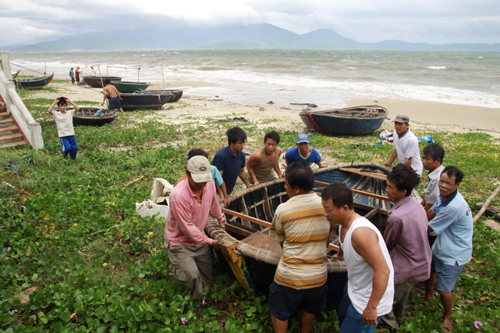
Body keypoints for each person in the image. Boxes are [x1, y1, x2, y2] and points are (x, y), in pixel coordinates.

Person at [268, 161, 335, 333]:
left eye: (286, 184)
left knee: (279, 312)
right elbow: (328, 241)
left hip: (289, 276)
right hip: (318, 276)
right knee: (310, 308)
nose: (285, 187)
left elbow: (281, 242)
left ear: (296, 189)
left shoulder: (283, 210)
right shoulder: (327, 207)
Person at [321, 183, 394, 333]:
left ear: (345, 208)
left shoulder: (361, 234)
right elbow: (343, 241)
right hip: (355, 286)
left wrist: (372, 307)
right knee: (342, 316)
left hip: (368, 297)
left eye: (328, 210)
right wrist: (340, 254)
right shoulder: (342, 223)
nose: (325, 213)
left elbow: (383, 270)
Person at [164, 156, 226, 299]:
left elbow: (213, 203)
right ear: (187, 174)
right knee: (192, 276)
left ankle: (206, 297)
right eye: (198, 180)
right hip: (180, 243)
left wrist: (220, 219)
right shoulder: (179, 195)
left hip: (199, 240)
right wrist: (211, 242)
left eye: (205, 179)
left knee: (208, 276)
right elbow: (188, 229)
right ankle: (196, 302)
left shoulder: (208, 184)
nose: (202, 184)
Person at [380, 164, 432, 330]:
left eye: (390, 187)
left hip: (406, 267)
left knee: (384, 300)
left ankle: (391, 326)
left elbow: (387, 244)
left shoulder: (397, 217)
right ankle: (399, 318)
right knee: (401, 296)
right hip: (421, 262)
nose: (386, 190)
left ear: (403, 192)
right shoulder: (416, 205)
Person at [424, 166, 473, 332]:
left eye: (448, 183)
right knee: (431, 271)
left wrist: (411, 232)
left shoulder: (455, 206)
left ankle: (448, 315)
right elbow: (432, 211)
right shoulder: (444, 197)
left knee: (444, 288)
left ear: (457, 185)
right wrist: (419, 218)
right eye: (442, 181)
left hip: (454, 253)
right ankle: (428, 297)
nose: (443, 186)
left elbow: (429, 229)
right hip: (442, 246)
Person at [211, 127, 253, 196]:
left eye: (244, 142)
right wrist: (222, 196)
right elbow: (217, 178)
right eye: (240, 143)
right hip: (215, 191)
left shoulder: (241, 155)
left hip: (227, 190)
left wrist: (248, 184)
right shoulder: (221, 155)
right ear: (231, 143)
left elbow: (241, 172)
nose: (243, 146)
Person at [384, 114, 423, 183]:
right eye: (396, 123)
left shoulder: (411, 140)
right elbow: (395, 150)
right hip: (404, 168)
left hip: (413, 171)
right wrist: (389, 163)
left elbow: (408, 161)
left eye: (401, 124)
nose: (397, 126)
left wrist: (404, 175)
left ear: (407, 125)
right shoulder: (395, 134)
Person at [421, 143, 446, 246]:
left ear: (438, 161)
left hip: (434, 223)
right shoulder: (433, 173)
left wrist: (420, 218)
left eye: (427, 159)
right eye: (423, 158)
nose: (424, 162)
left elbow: (431, 204)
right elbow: (427, 197)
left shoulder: (438, 178)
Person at [47, 97, 79, 161]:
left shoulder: (69, 112)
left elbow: (77, 108)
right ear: (59, 106)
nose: (63, 107)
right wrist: (55, 102)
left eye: (64, 106)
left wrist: (70, 101)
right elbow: (49, 110)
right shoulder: (56, 114)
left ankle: (73, 160)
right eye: (61, 106)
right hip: (63, 134)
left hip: (71, 133)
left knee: (74, 148)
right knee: (67, 148)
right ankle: (64, 155)